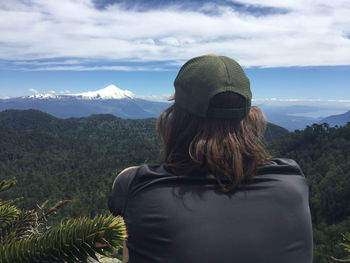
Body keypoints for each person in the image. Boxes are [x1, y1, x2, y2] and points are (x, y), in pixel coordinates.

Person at [108, 55, 313, 263]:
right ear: (250, 117)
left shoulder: (137, 186)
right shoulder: (293, 180)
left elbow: (122, 191)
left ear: (176, 118)